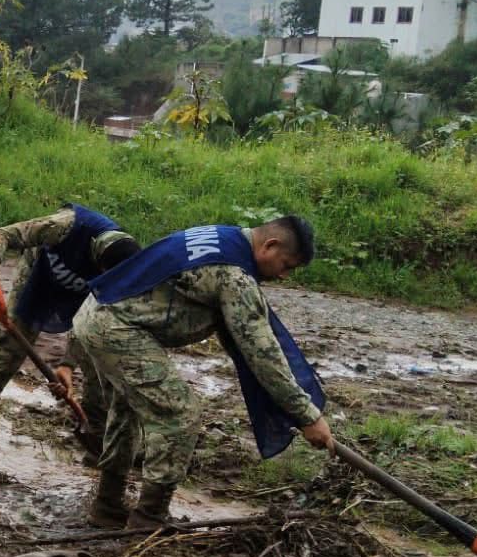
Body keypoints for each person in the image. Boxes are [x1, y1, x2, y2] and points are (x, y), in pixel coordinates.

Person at [71, 215, 333, 530]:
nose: (285, 275)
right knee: (180, 415)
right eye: (286, 265)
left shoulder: (223, 237)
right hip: (116, 328)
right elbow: (264, 355)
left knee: (127, 409)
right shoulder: (235, 276)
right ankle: (147, 521)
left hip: (97, 311)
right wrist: (307, 415)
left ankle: (107, 507)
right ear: (270, 245)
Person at [0, 205, 140, 471]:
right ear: (95, 253)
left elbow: (90, 323)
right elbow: (0, 235)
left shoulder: (119, 272)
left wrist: (67, 365)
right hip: (38, 276)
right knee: (9, 353)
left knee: (97, 360)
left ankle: (95, 441)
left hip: (80, 292)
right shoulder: (64, 226)